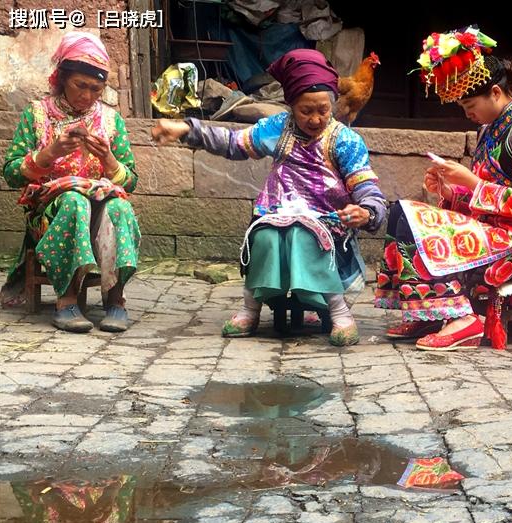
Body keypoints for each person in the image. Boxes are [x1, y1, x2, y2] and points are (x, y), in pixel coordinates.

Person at [152, 49, 387, 345]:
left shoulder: (345, 140)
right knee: (263, 236)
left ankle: (339, 313)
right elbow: (233, 143)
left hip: (327, 221)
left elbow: (366, 185)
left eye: (323, 110)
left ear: (332, 104)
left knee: (304, 236)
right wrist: (188, 129)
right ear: (291, 106)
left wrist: (367, 211)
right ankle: (249, 309)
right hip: (275, 212)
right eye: (305, 111)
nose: (315, 119)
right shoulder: (277, 129)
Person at [374, 27, 512, 351]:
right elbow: (483, 193)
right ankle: (433, 310)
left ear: (497, 94)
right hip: (492, 227)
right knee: (402, 213)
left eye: (469, 105)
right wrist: (449, 191)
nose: (467, 113)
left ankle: (464, 318)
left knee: (422, 227)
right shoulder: (490, 128)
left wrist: (470, 182)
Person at [0, 32, 140, 333]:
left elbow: (130, 181)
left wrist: (111, 163)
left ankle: (115, 300)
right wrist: (47, 154)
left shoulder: (111, 121)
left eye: (95, 88)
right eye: (80, 85)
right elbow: (10, 173)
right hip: (51, 215)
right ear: (62, 78)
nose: (87, 96)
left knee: (119, 207)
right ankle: (67, 301)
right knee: (74, 201)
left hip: (100, 211)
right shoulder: (37, 115)